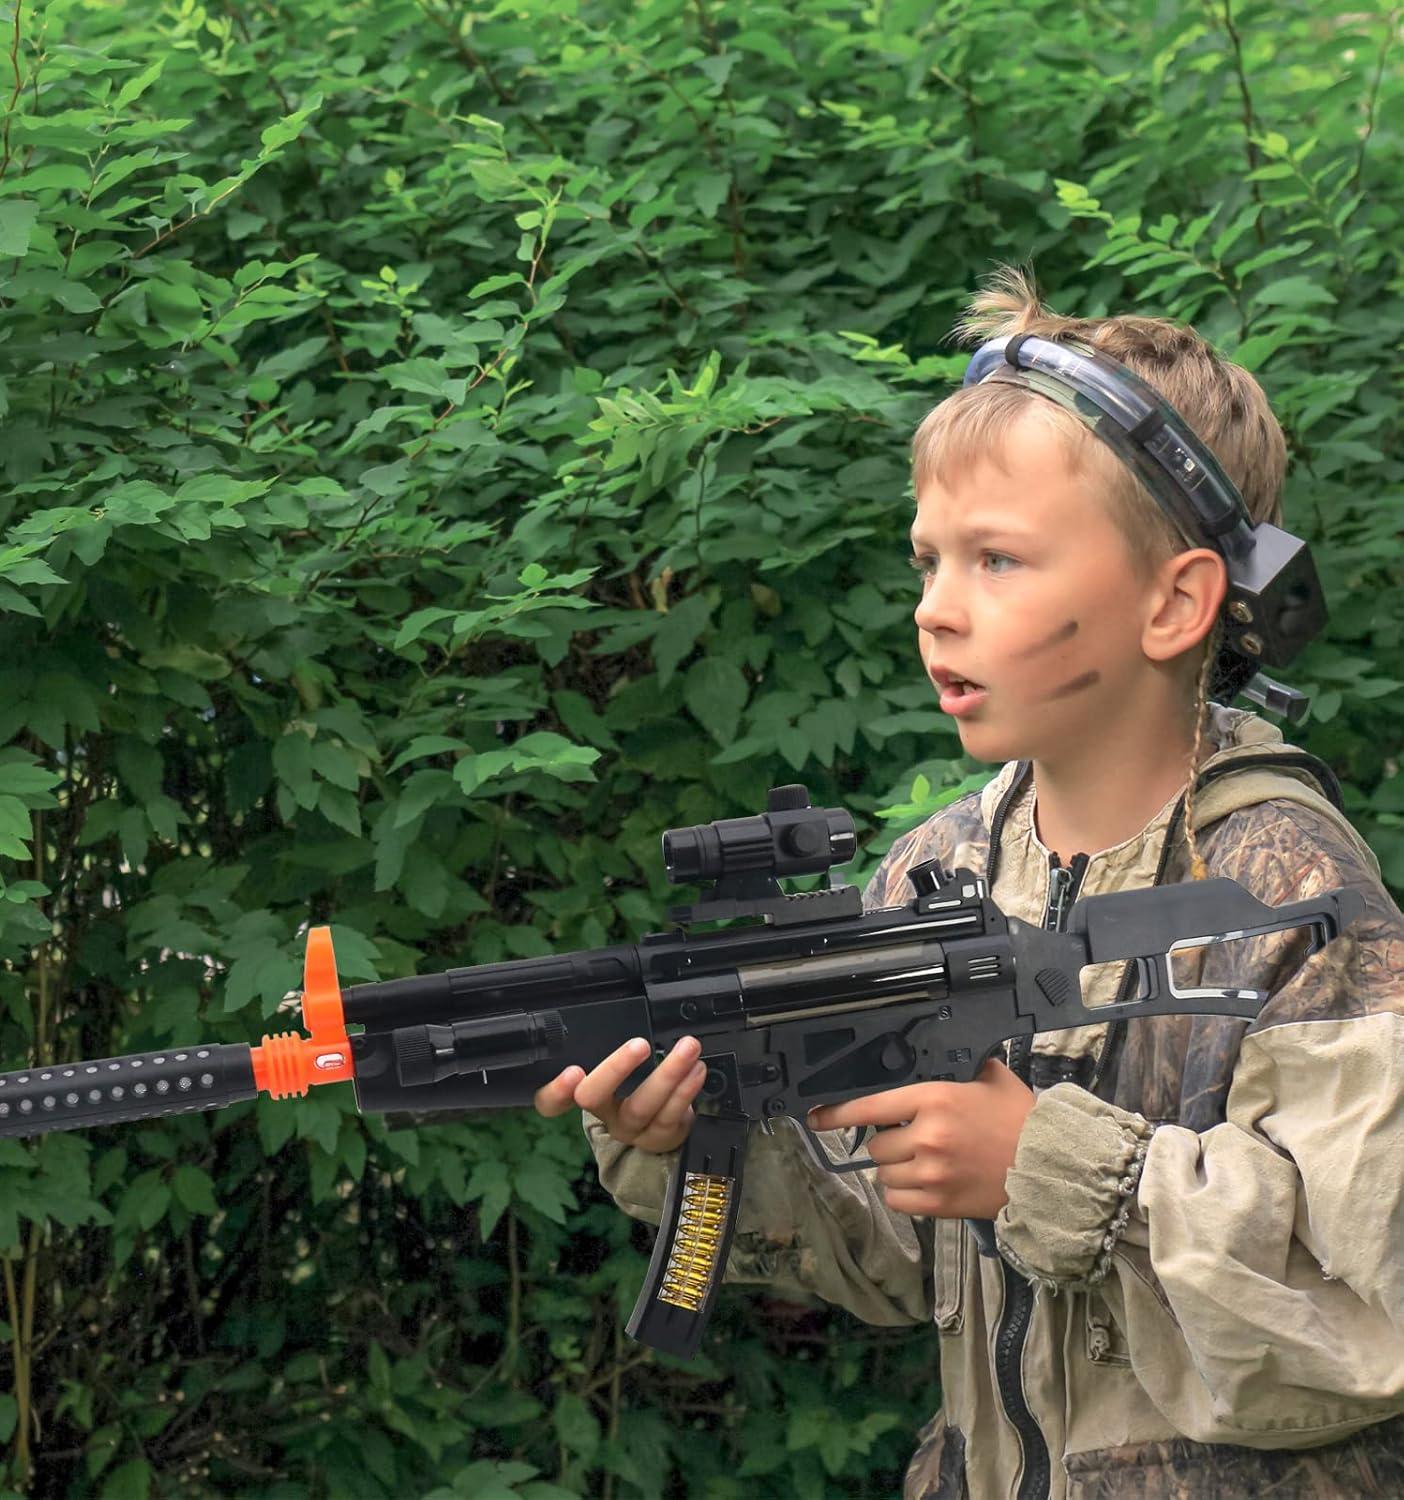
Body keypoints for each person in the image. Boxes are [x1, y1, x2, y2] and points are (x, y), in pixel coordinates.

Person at [535, 267, 1404, 1498]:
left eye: (997, 560)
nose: (936, 611)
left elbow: (1366, 1314)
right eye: (927, 561)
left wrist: (1048, 1166)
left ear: (1174, 604)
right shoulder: (941, 870)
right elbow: (899, 1255)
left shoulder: (1287, 893)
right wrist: (699, 1140)